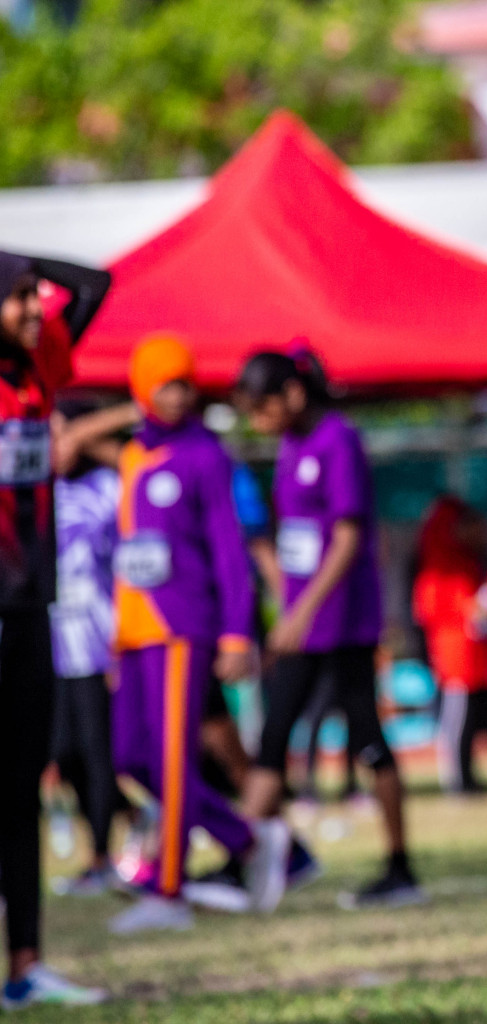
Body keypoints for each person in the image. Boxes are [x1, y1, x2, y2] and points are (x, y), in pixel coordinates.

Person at [70, 336, 291, 934]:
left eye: (184, 384)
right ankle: (245, 835)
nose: (176, 395)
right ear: (142, 388)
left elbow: (228, 550)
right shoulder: (136, 454)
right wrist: (128, 413)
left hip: (184, 629)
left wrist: (238, 635)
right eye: (163, 384)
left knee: (171, 759)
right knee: (131, 758)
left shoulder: (204, 455)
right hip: (134, 633)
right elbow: (70, 444)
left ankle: (168, 892)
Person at [232, 348, 423, 908]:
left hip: (341, 623)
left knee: (365, 737)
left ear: (292, 394)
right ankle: (245, 856)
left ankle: (399, 868)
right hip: (305, 624)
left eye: (262, 408)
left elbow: (347, 540)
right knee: (275, 734)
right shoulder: (291, 446)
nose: (256, 423)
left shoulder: (338, 441)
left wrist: (302, 611)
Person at [0, 251, 110, 1009]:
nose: (38, 308)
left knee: (19, 791)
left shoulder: (38, 365)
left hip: (29, 604)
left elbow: (96, 285)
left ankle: (26, 967)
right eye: (18, 300)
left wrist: (22, 263)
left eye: (36, 298)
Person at [47, 396, 128, 897]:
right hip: (51, 644)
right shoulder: (41, 489)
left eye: (66, 433)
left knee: (98, 751)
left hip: (101, 642)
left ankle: (101, 857)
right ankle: (129, 814)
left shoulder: (111, 486)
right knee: (62, 752)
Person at [414, 494, 487, 793]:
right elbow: (444, 609)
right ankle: (457, 782)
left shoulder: (466, 561)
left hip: (479, 652)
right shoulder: (440, 566)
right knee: (458, 719)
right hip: (456, 655)